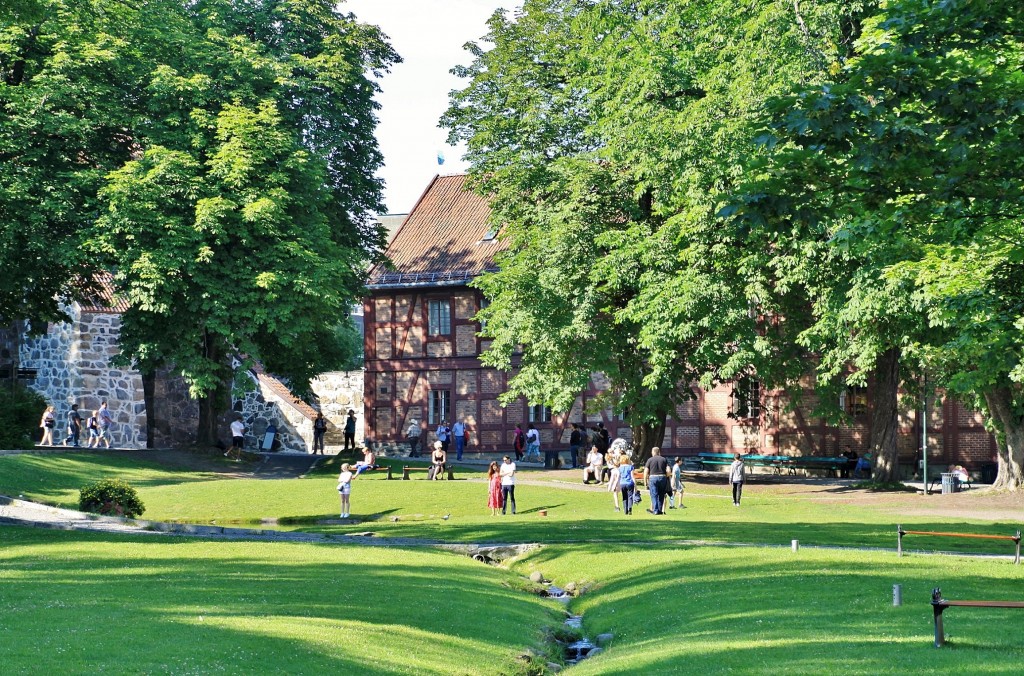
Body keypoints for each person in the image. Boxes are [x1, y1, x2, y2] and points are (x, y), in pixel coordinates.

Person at [644, 447, 670, 515]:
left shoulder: (650, 460)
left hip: (653, 478)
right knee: (661, 495)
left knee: (654, 494)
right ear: (659, 452)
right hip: (662, 478)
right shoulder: (664, 459)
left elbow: (646, 471)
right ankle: (660, 510)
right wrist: (666, 476)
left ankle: (655, 510)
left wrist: (645, 482)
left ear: (653, 452)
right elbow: (668, 470)